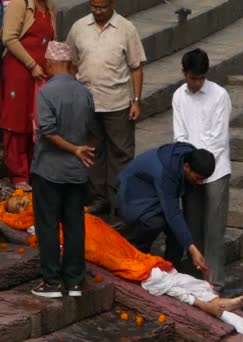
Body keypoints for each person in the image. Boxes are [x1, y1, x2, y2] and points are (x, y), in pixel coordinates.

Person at [0, 193, 243, 341]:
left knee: (159, 268)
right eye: (19, 207)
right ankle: (206, 305)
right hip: (94, 246)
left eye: (22, 199)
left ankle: (214, 300)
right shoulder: (36, 221)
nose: (24, 204)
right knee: (151, 276)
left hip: (103, 235)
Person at [29, 41, 96, 298]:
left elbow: (47, 131)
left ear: (53, 63)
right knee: (74, 225)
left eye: (47, 62)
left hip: (49, 171)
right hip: (77, 173)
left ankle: (52, 282)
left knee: (47, 225)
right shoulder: (85, 93)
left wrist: (72, 149)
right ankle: (75, 281)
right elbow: (90, 128)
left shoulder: (46, 92)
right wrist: (79, 150)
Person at [66, 0, 146, 214]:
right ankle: (98, 198)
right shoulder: (79, 27)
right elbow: (71, 64)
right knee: (93, 153)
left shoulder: (126, 29)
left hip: (118, 103)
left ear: (112, 4)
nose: (97, 11)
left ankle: (120, 200)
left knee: (121, 153)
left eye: (102, 7)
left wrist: (136, 100)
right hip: (87, 104)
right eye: (93, 7)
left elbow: (136, 67)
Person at [172, 48, 231, 291]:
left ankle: (214, 281)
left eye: (200, 78)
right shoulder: (179, 96)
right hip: (190, 169)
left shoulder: (219, 95)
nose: (196, 83)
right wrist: (191, 168)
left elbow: (218, 139)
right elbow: (179, 134)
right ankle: (195, 280)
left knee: (214, 229)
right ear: (184, 73)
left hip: (216, 169)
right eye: (192, 78)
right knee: (192, 225)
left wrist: (202, 168)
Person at [117, 142, 213, 276]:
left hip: (154, 195)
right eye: (198, 179)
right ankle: (135, 256)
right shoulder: (166, 172)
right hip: (133, 198)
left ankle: (171, 271)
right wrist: (193, 250)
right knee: (156, 222)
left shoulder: (188, 155)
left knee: (178, 232)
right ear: (186, 167)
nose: (199, 183)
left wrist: (188, 242)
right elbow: (172, 213)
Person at [1, 0, 56, 191]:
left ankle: (34, 170)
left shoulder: (49, 7)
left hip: (41, 73)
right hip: (19, 69)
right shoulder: (20, 3)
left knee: (37, 120)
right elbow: (9, 37)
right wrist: (31, 65)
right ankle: (18, 174)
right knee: (16, 119)